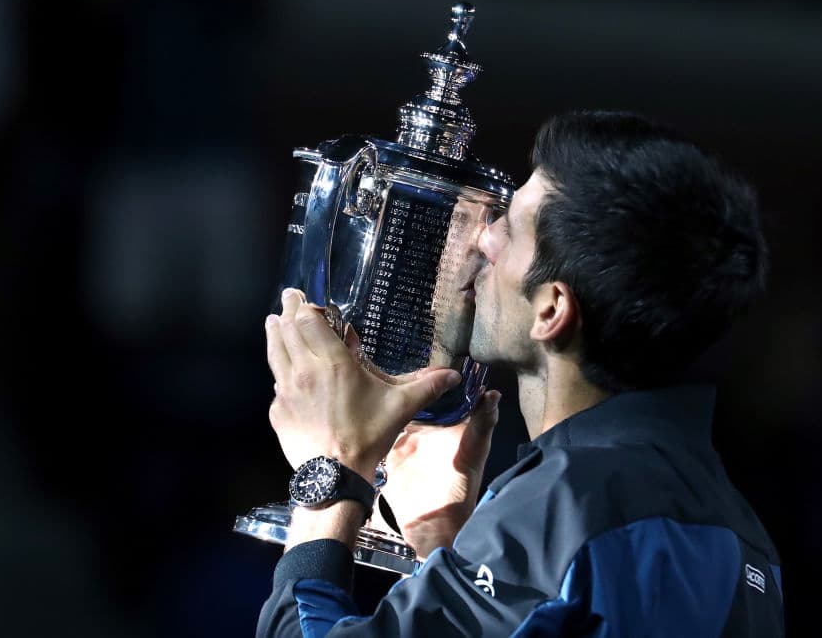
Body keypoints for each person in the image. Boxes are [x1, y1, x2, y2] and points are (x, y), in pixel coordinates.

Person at [256, 110, 785, 636]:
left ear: (552, 310)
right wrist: (450, 545)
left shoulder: (569, 505)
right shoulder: (738, 528)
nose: (484, 240)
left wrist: (332, 467)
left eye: (509, 227)